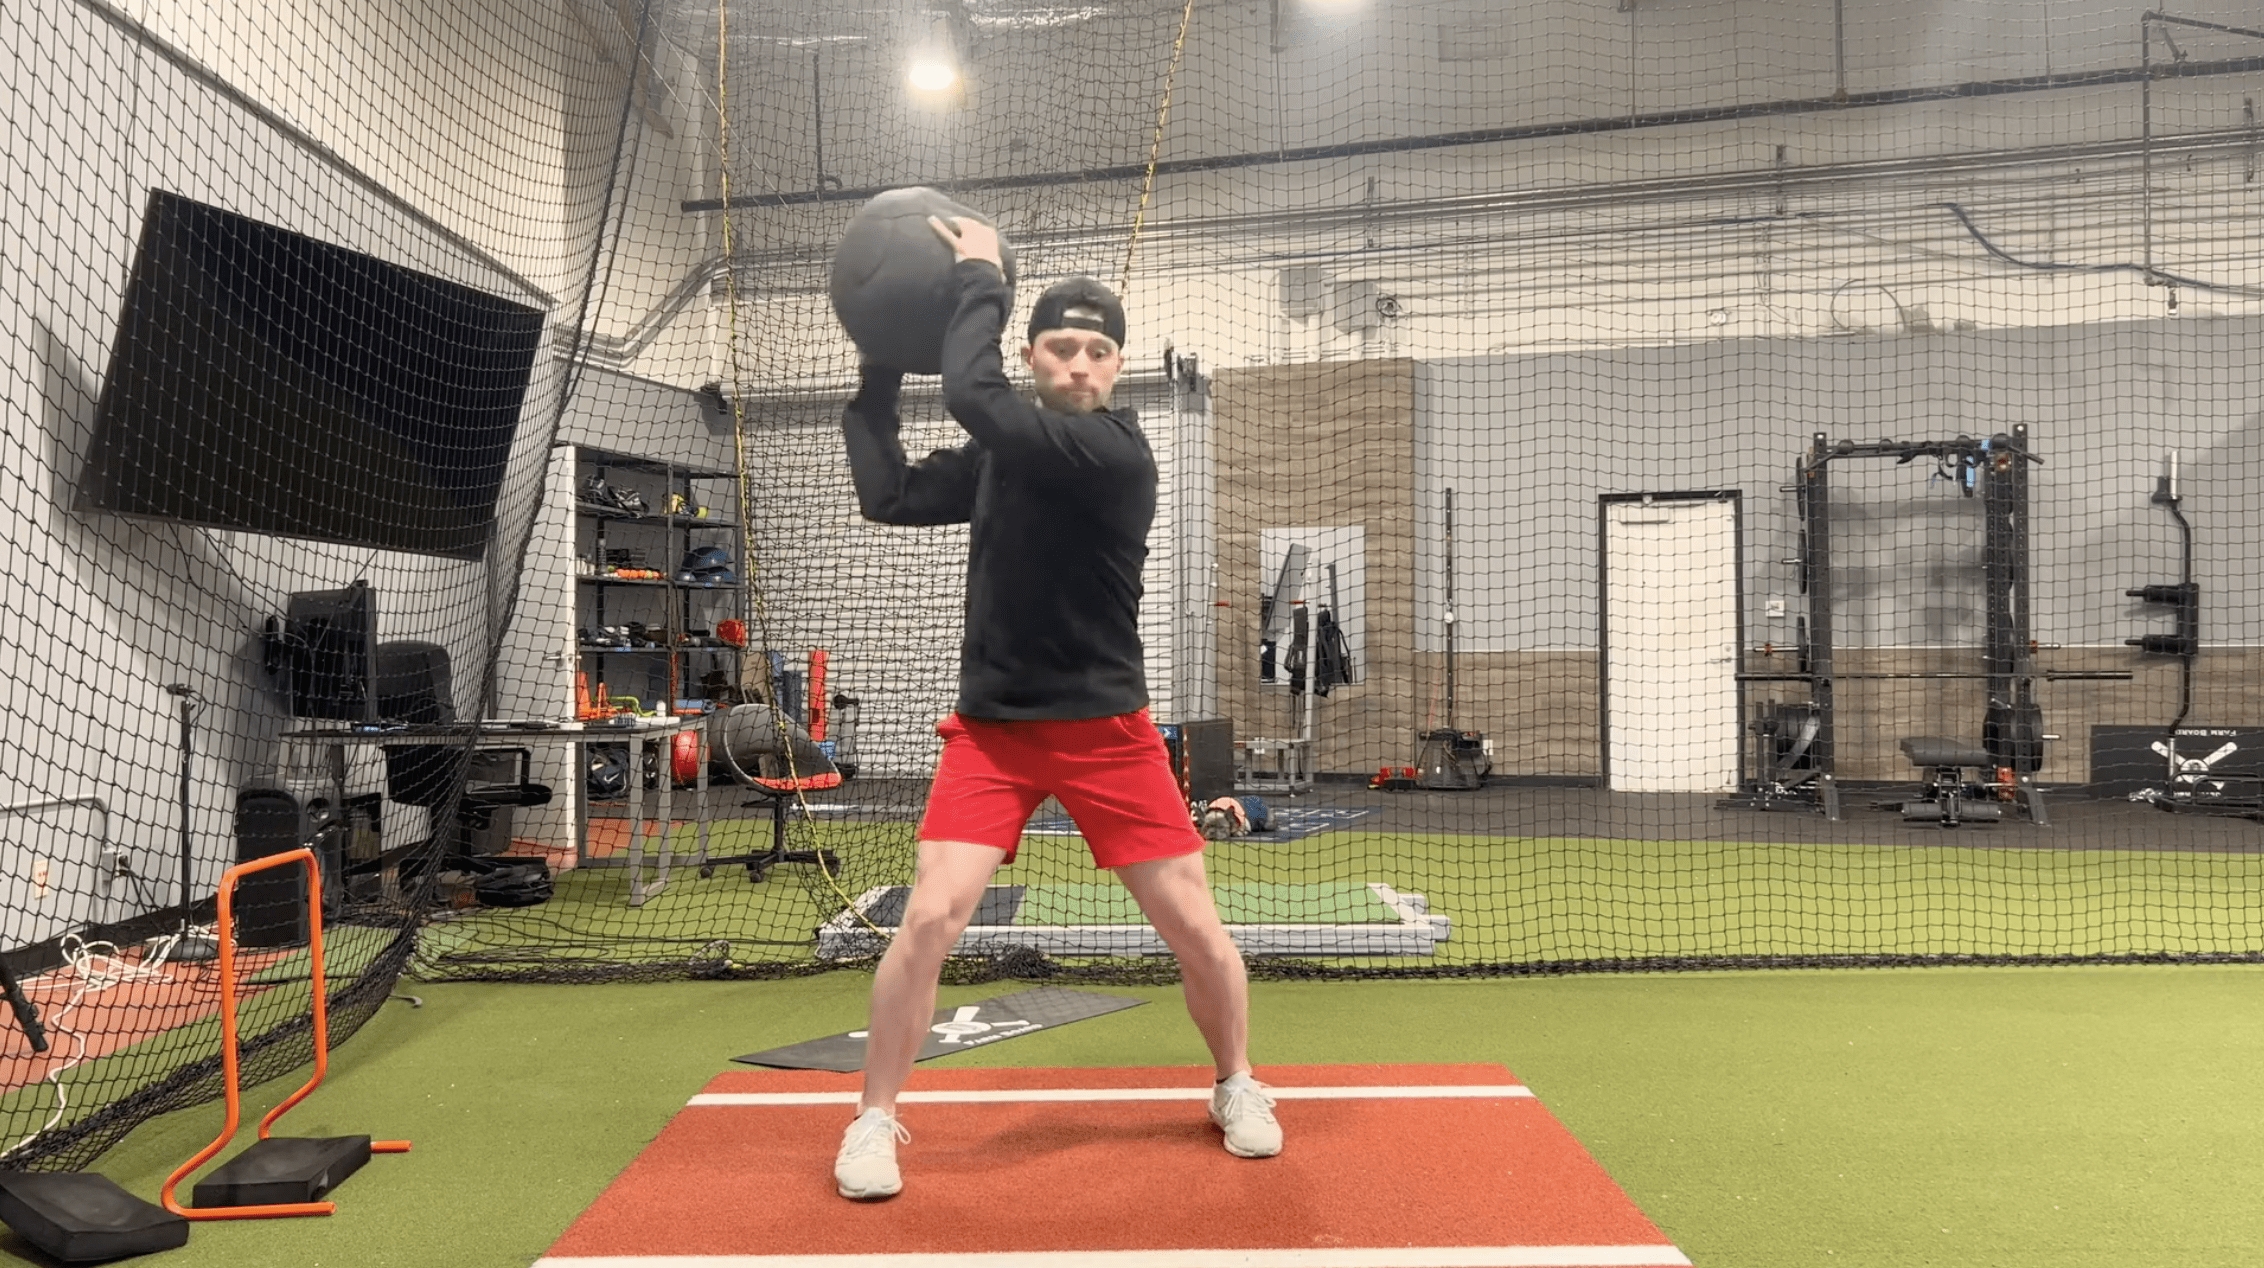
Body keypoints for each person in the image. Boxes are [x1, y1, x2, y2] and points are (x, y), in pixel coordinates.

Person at [830, 214, 1281, 1201]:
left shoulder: (1113, 451)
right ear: (1034, 356)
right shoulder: (1006, 453)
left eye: (1096, 350)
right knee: (929, 915)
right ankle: (872, 1116)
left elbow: (970, 393)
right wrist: (875, 375)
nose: (1078, 364)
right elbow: (888, 493)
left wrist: (978, 278)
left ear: (1116, 366)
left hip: (1107, 733)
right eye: (1060, 347)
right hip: (992, 734)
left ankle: (1235, 1080)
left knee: (1194, 926)